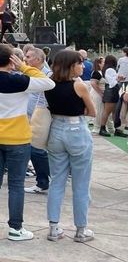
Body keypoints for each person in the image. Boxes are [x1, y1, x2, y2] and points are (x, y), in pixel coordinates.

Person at [0, 44, 55, 242]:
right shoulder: (20, 80)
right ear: (12, 59)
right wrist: (24, 67)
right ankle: (15, 228)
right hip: (17, 139)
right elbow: (48, 83)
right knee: (16, 185)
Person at [43, 50, 96, 243]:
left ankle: (53, 227)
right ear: (71, 65)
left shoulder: (49, 84)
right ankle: (81, 229)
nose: (83, 66)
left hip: (56, 129)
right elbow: (92, 112)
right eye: (80, 63)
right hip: (77, 130)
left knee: (56, 180)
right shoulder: (78, 85)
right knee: (81, 183)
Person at [23, 46, 52, 195]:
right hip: (29, 116)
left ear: (38, 59)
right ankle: (43, 179)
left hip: (39, 118)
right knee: (33, 149)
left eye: (28, 57)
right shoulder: (29, 73)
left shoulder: (47, 75)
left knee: (37, 149)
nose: (25, 59)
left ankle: (43, 181)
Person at [99, 55, 119, 137]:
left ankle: (116, 128)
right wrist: (119, 78)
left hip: (110, 90)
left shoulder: (106, 69)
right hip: (111, 91)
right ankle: (102, 128)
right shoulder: (110, 69)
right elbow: (112, 83)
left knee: (113, 111)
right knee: (108, 111)